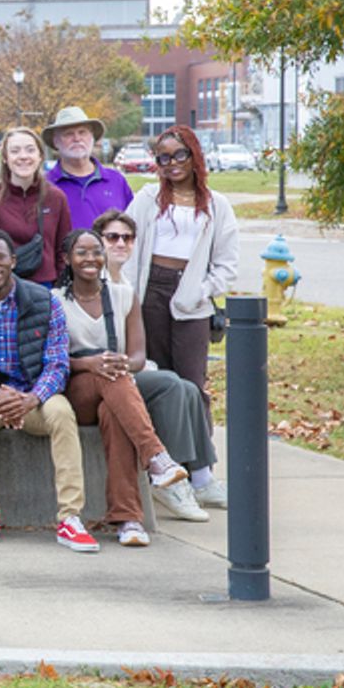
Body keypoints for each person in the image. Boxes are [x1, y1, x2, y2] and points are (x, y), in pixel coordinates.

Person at [0, 228, 97, 552]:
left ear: (13, 260)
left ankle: (70, 518)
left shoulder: (45, 302)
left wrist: (32, 398)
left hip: (33, 396)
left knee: (61, 412)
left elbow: (57, 364)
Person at [123, 124, 238, 516]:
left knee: (193, 385)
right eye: (163, 158)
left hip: (191, 300)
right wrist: (128, 295)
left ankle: (202, 472)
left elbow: (227, 264)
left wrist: (201, 290)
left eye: (178, 155)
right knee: (159, 379)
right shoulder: (148, 198)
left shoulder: (216, 205)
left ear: (194, 155)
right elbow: (124, 243)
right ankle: (168, 470)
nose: (171, 164)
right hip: (149, 293)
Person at [55, 229, 192, 546]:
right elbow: (54, 360)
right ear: (67, 259)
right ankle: (156, 456)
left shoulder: (122, 294)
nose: (90, 258)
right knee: (109, 374)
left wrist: (120, 363)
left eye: (96, 251)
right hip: (75, 389)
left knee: (115, 414)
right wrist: (91, 364)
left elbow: (139, 356)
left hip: (115, 386)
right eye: (81, 252)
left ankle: (128, 520)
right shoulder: (55, 302)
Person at [94, 208, 224, 520]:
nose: (121, 243)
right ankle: (167, 481)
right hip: (101, 375)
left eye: (127, 238)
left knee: (188, 389)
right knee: (169, 386)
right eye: (112, 237)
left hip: (127, 368)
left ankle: (201, 477)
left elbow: (134, 347)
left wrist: (138, 363)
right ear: (98, 242)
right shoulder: (92, 283)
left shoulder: (127, 282)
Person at [0, 126, 71, 286]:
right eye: (15, 151)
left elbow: (63, 251)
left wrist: (60, 289)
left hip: (46, 288)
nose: (23, 156)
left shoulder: (56, 197)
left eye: (30, 150)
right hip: (5, 288)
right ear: (5, 157)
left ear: (40, 156)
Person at [43, 106, 134, 232]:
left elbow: (132, 228)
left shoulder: (116, 181)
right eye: (68, 134)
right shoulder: (44, 185)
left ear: (92, 138)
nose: (77, 139)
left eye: (82, 132)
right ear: (56, 142)